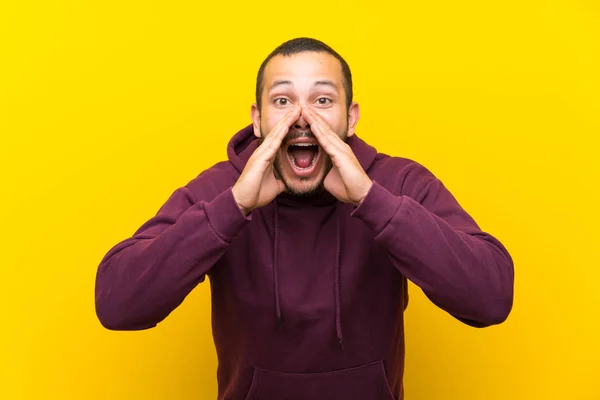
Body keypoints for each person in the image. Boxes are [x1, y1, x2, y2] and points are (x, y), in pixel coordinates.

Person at [94, 37, 514, 400]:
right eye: (282, 101)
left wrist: (371, 200)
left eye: (322, 100)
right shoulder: (221, 189)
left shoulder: (398, 182)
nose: (302, 117)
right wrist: (232, 208)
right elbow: (117, 304)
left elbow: (491, 296)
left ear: (350, 117)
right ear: (257, 120)